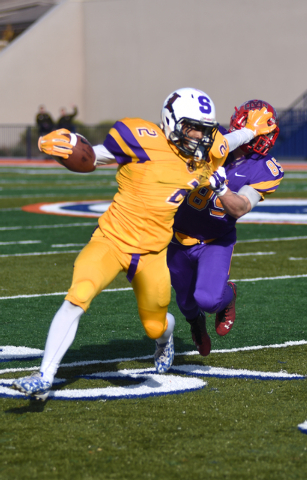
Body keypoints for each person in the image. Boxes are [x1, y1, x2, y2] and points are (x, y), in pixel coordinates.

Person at [12, 89, 275, 400]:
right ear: (173, 123)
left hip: (152, 254)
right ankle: (44, 374)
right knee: (77, 296)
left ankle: (165, 340)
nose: (202, 137)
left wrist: (248, 132)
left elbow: (224, 142)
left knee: (155, 326)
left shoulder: (207, 150)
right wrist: (69, 147)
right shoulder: (141, 138)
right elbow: (95, 157)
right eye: (195, 128)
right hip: (111, 240)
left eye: (206, 130)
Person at [167, 99, 283, 356]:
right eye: (258, 132)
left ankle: (228, 296)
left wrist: (221, 188)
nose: (263, 139)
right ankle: (195, 323)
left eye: (266, 133)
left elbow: (241, 207)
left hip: (215, 240)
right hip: (178, 235)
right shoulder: (212, 139)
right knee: (186, 304)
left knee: (207, 300)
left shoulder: (266, 168)